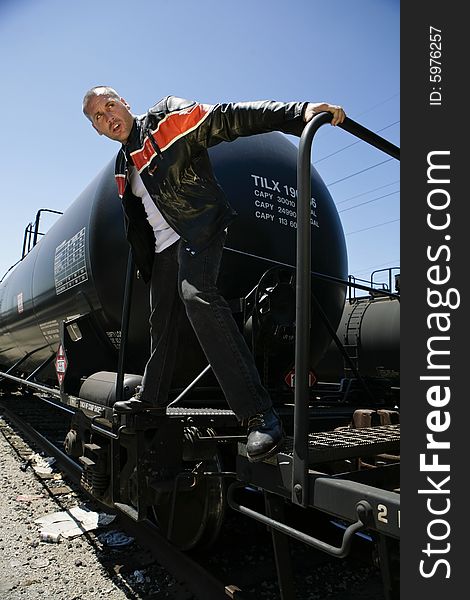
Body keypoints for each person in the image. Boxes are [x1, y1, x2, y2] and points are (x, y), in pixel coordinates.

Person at [82, 87, 345, 462]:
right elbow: (137, 222)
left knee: (197, 296)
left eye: (110, 106)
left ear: (124, 102)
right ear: (97, 130)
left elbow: (228, 117)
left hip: (198, 229)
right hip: (163, 249)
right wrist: (147, 262)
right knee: (162, 320)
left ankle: (260, 416)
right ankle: (152, 398)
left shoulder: (166, 121)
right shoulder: (123, 166)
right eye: (98, 117)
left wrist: (297, 112)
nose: (108, 117)